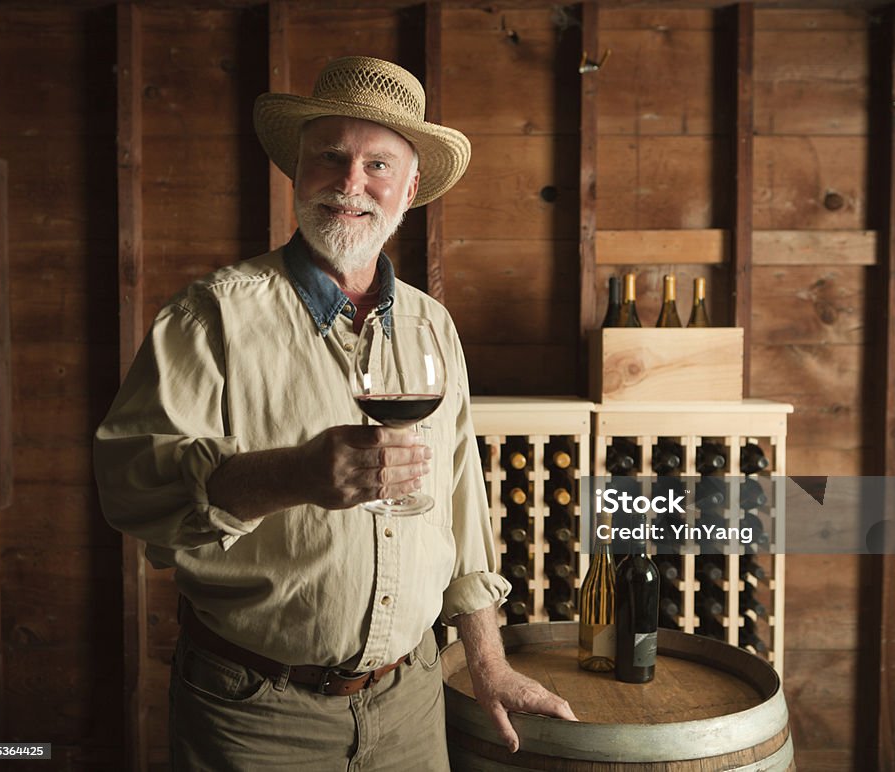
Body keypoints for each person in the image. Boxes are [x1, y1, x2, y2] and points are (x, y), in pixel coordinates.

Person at [93, 55, 576, 770]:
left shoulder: (431, 324)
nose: (352, 184)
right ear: (298, 170)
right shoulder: (212, 316)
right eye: (331, 158)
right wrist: (292, 475)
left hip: (411, 703)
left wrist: (489, 662)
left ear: (409, 189)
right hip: (255, 713)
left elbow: (459, 505)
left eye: (378, 165)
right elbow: (131, 485)